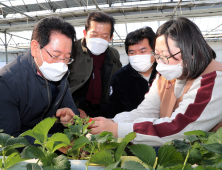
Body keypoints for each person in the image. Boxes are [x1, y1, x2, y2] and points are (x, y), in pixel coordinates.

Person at [88, 17, 222, 147]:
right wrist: (110, 123)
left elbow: (179, 128)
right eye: (157, 55)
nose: (160, 63)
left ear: (190, 53)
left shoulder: (214, 80)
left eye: (165, 56)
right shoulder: (167, 75)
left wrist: (119, 130)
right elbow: (145, 111)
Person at [0, 16, 79, 145]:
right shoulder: (7, 82)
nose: (61, 64)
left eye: (67, 58)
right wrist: (53, 142)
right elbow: (8, 140)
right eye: (55, 55)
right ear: (35, 47)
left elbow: (70, 107)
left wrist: (70, 116)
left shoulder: (61, 74)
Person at [68, 12, 122, 118]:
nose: (99, 40)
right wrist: (70, 107)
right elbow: (58, 86)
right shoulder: (71, 51)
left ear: (111, 38)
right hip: (75, 110)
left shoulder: (113, 54)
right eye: (94, 35)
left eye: (104, 36)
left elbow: (117, 82)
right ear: (85, 33)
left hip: (104, 109)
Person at [102, 27, 157, 118]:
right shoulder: (119, 78)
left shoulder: (164, 74)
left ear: (154, 51)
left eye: (142, 51)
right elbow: (113, 111)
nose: (137, 56)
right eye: (132, 53)